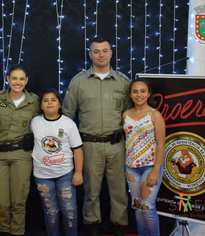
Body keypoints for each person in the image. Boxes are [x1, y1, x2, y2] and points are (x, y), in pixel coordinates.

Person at [62, 37, 130, 236]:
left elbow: (130, 115)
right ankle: (92, 225)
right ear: (90, 54)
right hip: (89, 144)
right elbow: (67, 114)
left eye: (105, 50)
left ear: (111, 53)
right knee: (91, 190)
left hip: (117, 144)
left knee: (119, 189)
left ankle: (120, 224)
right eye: (96, 51)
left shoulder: (123, 82)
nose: (101, 55)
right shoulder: (78, 82)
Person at [0, 64, 40, 236]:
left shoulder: (34, 101)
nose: (18, 82)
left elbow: (42, 125)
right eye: (14, 78)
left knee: (18, 201)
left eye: (21, 79)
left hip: (21, 155)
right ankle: (5, 232)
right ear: (7, 79)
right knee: (1, 202)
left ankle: (17, 233)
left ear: (26, 81)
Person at [30, 88, 83, 236]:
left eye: (53, 100)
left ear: (59, 104)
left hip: (65, 174)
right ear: (41, 106)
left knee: (70, 211)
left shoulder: (68, 123)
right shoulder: (35, 122)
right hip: (42, 175)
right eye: (45, 100)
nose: (49, 103)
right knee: (50, 211)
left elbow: (77, 149)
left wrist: (78, 172)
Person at [122, 78, 165, 236]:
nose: (138, 94)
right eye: (135, 91)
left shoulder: (155, 115)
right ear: (130, 94)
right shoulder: (125, 115)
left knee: (147, 206)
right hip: (131, 167)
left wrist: (155, 170)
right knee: (137, 205)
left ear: (148, 94)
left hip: (150, 167)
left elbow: (161, 144)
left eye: (142, 91)